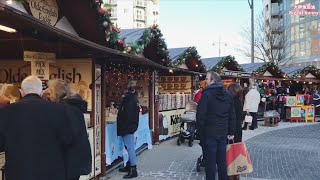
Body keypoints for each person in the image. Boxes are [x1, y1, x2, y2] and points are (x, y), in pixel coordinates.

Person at [0, 76, 72, 180]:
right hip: (51, 172)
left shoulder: (6, 112)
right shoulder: (58, 110)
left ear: (21, 91)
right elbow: (68, 139)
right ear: (41, 92)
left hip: (18, 172)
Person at [45, 79, 92, 180]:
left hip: (69, 160)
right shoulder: (71, 107)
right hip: (73, 159)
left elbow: (69, 136)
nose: (49, 96)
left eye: (51, 92)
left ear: (57, 93)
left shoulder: (67, 109)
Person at [196, 71, 236, 180]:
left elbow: (200, 116)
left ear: (213, 80)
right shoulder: (227, 95)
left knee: (210, 163)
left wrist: (201, 133)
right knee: (222, 161)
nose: (205, 81)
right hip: (222, 132)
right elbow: (232, 115)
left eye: (207, 79)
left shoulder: (207, 94)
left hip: (210, 133)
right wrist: (231, 132)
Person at [117, 81, 140, 179]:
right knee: (129, 147)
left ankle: (133, 169)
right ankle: (129, 165)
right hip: (129, 126)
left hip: (127, 127)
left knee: (130, 147)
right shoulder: (132, 98)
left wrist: (124, 127)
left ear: (127, 89)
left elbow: (127, 115)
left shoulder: (129, 99)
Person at [227, 83, 244, 180]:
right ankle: (236, 174)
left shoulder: (231, 102)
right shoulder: (239, 101)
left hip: (232, 129)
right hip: (238, 128)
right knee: (236, 151)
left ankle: (230, 173)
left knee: (229, 151)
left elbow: (230, 117)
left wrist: (230, 132)